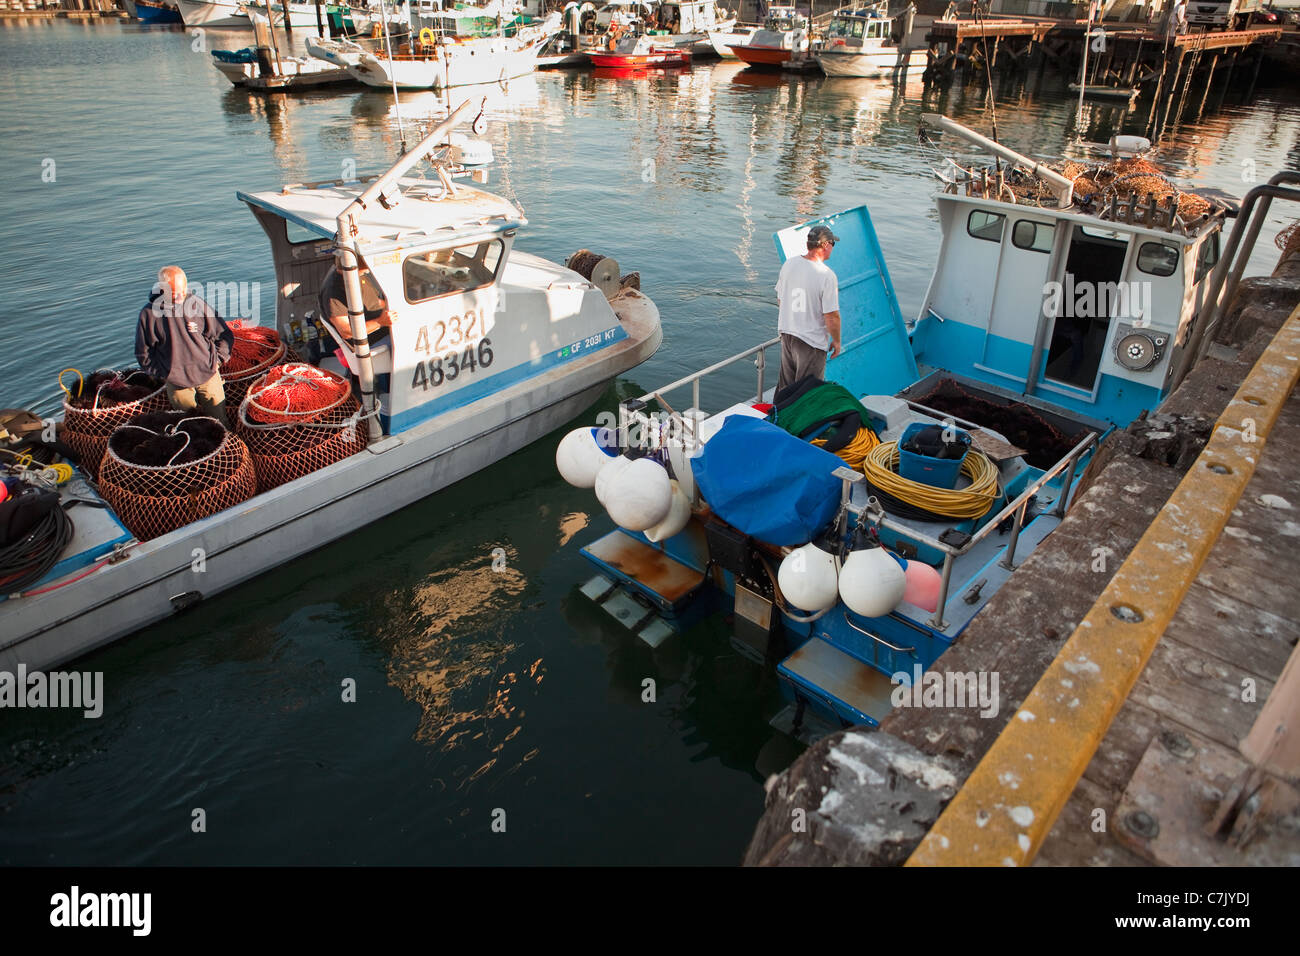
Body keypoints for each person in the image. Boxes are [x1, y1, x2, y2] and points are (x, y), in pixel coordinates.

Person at [135, 265, 234, 427]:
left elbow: (223, 334)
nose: (181, 295)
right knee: (188, 424)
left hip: (208, 374)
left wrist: (218, 360)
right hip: (177, 382)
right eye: (175, 293)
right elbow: (143, 352)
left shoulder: (197, 305)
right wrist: (164, 373)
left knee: (220, 421)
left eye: (183, 290)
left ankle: (226, 447)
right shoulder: (149, 314)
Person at [775, 224, 842, 393]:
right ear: (826, 245)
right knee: (807, 393)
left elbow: (780, 300)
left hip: (787, 334)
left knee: (786, 387)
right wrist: (837, 341)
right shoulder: (826, 275)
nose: (833, 248)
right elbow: (832, 316)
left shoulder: (789, 264)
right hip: (810, 342)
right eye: (833, 244)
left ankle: (779, 416)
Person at [317, 260, 392, 349]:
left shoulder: (356, 274)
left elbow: (375, 302)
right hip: (369, 342)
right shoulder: (333, 291)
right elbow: (346, 331)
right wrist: (379, 321)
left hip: (385, 326)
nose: (368, 269)